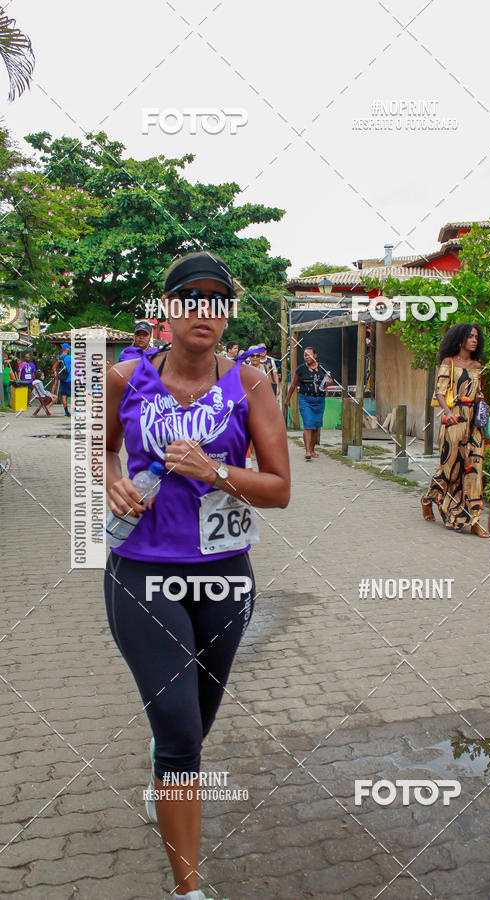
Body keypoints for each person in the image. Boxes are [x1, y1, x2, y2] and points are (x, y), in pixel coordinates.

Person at [104, 251, 290, 900]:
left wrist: (215, 471)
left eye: (217, 299)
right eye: (191, 297)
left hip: (224, 578)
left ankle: (166, 773)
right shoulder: (125, 378)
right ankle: (188, 889)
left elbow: (279, 489)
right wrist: (111, 481)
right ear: (168, 310)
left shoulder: (252, 384)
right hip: (142, 573)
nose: (203, 310)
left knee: (194, 723)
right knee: (182, 731)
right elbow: (98, 449)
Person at [421, 323, 489, 538]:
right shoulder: (448, 362)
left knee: (475, 469)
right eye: (470, 337)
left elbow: (476, 391)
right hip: (454, 420)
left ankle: (474, 520)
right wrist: (448, 412)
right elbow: (440, 392)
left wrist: (479, 397)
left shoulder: (477, 366)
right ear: (460, 340)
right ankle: (428, 499)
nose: (474, 340)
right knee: (450, 469)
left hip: (474, 422)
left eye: (476, 337)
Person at [285, 346, 332, 460]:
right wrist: (287, 399)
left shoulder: (323, 367)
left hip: (319, 400)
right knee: (308, 424)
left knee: (316, 426)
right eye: (305, 355)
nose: (307, 357)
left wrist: (328, 383)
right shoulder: (300, 369)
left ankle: (312, 449)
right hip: (305, 400)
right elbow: (293, 385)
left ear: (315, 355)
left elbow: (330, 379)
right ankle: (307, 451)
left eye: (310, 354)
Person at [56, 343, 72, 417]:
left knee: (64, 395)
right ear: (66, 349)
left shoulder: (60, 358)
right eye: (68, 348)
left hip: (62, 379)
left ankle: (66, 412)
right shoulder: (69, 357)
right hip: (69, 379)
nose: (69, 349)